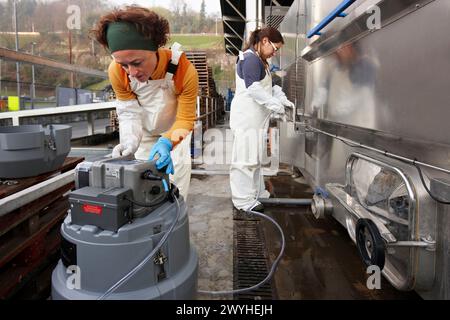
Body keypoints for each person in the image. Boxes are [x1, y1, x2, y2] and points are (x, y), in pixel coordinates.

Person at [91, 6, 198, 200]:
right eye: (124, 65)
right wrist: (130, 142)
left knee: (176, 190)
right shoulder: (116, 72)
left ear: (155, 49)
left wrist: (167, 142)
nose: (131, 72)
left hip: (175, 134)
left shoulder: (182, 69)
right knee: (142, 191)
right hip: (144, 135)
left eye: (137, 63)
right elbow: (129, 112)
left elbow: (185, 118)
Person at [229, 27, 294, 213]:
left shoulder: (261, 61)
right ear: (264, 41)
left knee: (254, 159)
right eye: (275, 47)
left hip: (256, 120)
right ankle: (242, 201)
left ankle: (256, 192)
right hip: (246, 119)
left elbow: (269, 88)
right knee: (244, 160)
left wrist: (282, 100)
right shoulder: (249, 59)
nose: (275, 52)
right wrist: (276, 106)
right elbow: (254, 89)